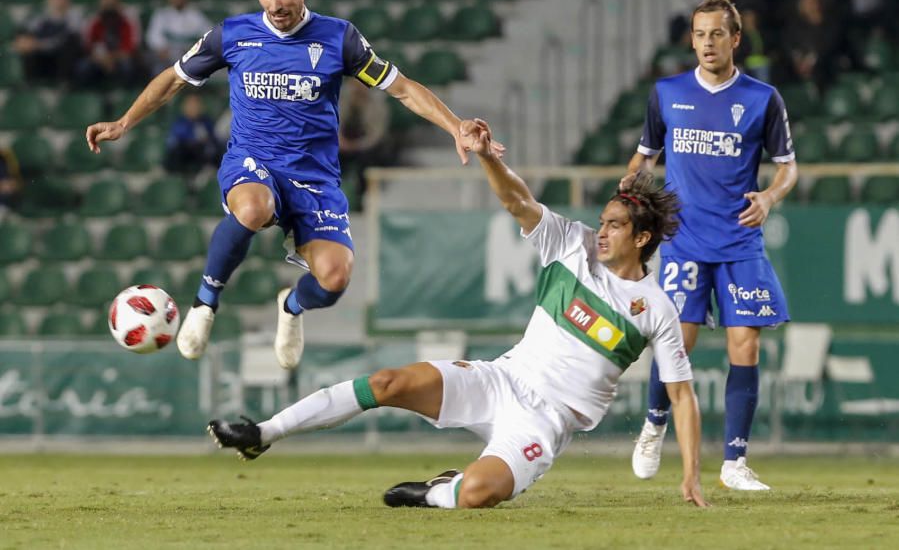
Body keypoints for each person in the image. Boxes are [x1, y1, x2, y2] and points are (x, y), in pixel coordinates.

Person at [207, 118, 708, 510]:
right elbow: (517, 200)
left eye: (615, 226)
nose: (601, 232)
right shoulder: (571, 245)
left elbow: (681, 396)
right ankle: (263, 434)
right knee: (386, 382)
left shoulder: (657, 307)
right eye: (602, 221)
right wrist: (489, 157)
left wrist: (689, 473)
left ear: (642, 239)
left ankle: (437, 492)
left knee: (477, 496)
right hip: (501, 378)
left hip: (544, 421)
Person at [85, 0, 500, 370]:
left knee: (335, 279)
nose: (275, 4)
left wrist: (456, 125)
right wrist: (123, 122)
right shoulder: (231, 34)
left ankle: (292, 306)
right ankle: (205, 305)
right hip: (253, 160)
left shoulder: (340, 38)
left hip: (314, 178)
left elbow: (402, 87)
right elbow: (172, 79)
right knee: (252, 207)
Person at [626, 0, 798, 491]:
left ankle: (733, 463)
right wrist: (630, 190)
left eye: (717, 34)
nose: (707, 43)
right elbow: (645, 158)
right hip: (684, 240)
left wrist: (769, 197)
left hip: (741, 239)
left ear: (735, 39)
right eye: (700, 34)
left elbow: (788, 167)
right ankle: (655, 424)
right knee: (677, 341)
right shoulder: (666, 93)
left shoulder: (763, 98)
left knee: (745, 345)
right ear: (692, 39)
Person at [12, 0, 83, 84]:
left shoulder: (75, 16)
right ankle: (31, 84)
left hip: (63, 62)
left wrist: (39, 45)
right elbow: (26, 30)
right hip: (45, 59)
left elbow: (63, 41)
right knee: (26, 44)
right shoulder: (42, 17)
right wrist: (23, 41)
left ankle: (64, 82)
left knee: (71, 43)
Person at [74, 0, 142, 87]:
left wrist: (112, 58)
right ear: (100, 0)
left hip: (120, 58)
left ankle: (125, 94)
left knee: (128, 66)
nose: (109, 2)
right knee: (82, 67)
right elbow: (88, 44)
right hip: (99, 59)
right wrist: (101, 59)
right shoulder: (94, 18)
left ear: (118, 0)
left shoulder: (129, 17)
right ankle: (90, 95)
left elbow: (132, 46)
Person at [146, 0, 213, 76]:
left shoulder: (195, 15)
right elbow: (153, 36)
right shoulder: (161, 14)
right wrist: (161, 49)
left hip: (189, 56)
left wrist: (195, 50)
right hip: (167, 57)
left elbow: (210, 35)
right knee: (158, 68)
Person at [163, 93, 222, 175]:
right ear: (184, 107)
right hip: (184, 154)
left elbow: (213, 140)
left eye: (196, 105)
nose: (194, 108)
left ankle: (207, 174)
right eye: (190, 105)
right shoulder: (180, 122)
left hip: (202, 155)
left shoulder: (206, 122)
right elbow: (174, 141)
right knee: (177, 151)